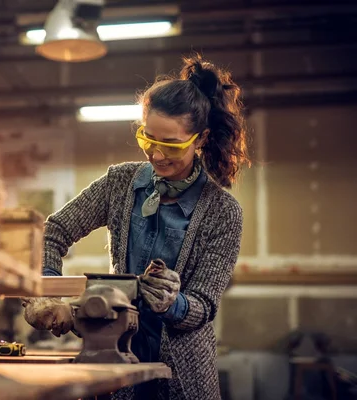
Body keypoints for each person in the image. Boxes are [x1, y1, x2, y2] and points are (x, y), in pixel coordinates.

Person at [22, 54, 250, 400]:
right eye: (148, 140)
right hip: (116, 362)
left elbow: (203, 307)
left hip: (184, 378)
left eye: (171, 144)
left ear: (200, 138)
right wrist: (49, 290)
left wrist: (172, 304)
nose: (156, 156)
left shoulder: (223, 212)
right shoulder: (119, 182)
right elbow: (51, 232)